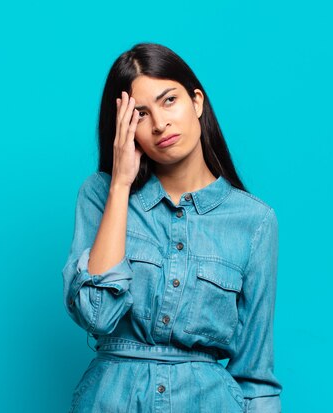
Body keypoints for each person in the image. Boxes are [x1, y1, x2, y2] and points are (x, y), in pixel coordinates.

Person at [62, 42, 283, 413]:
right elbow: (97, 315)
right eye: (141, 114)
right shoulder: (100, 195)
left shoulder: (255, 222)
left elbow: (255, 376)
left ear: (196, 101)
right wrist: (120, 184)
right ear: (124, 128)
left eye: (169, 101)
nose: (160, 124)